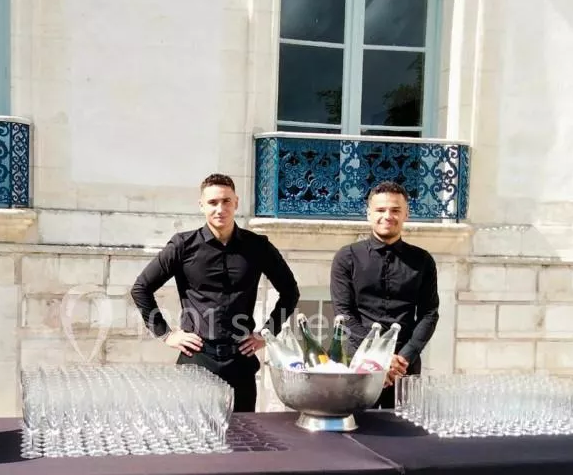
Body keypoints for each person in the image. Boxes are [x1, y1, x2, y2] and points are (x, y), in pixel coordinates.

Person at [131, 173, 300, 411]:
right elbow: (141, 289)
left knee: (243, 432)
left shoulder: (258, 246)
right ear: (201, 205)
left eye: (226, 201)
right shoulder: (182, 246)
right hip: (196, 361)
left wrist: (267, 333)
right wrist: (166, 334)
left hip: (240, 362)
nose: (220, 209)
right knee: (194, 432)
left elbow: (290, 292)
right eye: (212, 202)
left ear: (236, 203)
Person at [330, 181, 439, 409]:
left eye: (395, 210)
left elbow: (429, 314)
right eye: (380, 210)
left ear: (406, 214)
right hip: (358, 364)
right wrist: (379, 358)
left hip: (403, 366)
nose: (387, 216)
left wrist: (403, 358)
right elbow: (344, 313)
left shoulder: (423, 260)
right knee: (356, 428)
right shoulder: (347, 257)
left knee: (403, 430)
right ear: (369, 214)